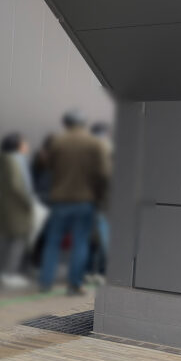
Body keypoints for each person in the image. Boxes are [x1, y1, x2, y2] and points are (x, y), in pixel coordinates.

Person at [40, 109, 110, 294]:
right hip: (85, 200)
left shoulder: (57, 142)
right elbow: (104, 173)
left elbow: (48, 166)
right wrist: (99, 196)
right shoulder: (94, 143)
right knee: (80, 243)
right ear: (83, 123)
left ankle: (45, 282)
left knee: (52, 241)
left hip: (60, 199)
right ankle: (74, 285)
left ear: (65, 123)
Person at [0, 132, 36, 289]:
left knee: (14, 241)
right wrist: (29, 202)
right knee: (17, 241)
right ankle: (9, 274)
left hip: (12, 207)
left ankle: (8, 272)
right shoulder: (13, 161)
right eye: (24, 143)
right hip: (17, 208)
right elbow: (17, 185)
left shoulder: (10, 160)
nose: (27, 146)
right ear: (17, 145)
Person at [87, 122, 113, 284]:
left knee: (91, 238)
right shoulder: (106, 149)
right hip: (103, 202)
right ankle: (101, 272)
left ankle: (90, 271)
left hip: (87, 200)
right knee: (103, 238)